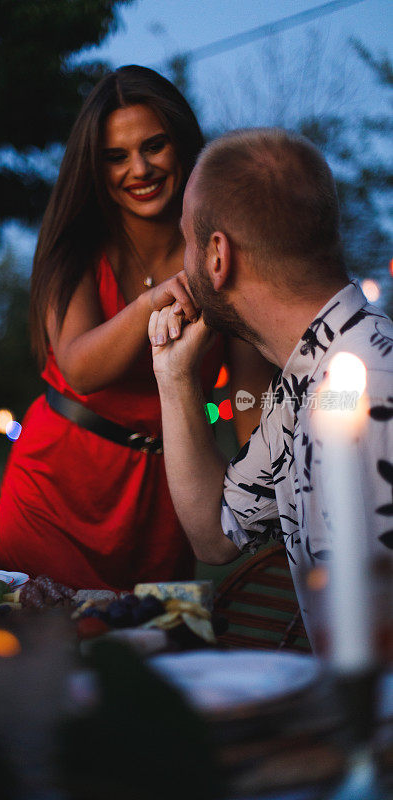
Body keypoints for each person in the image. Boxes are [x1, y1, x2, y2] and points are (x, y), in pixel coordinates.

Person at [0, 68, 273, 591]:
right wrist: (152, 300)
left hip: (167, 495)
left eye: (154, 146)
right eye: (116, 156)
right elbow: (79, 366)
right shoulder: (75, 243)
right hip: (57, 489)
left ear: (183, 146)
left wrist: (285, 481)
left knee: (153, 658)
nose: (139, 168)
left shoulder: (221, 251)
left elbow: (248, 396)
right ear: (94, 167)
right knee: (53, 659)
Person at [150, 127, 393, 636]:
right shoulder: (305, 377)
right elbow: (216, 536)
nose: (182, 265)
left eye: (186, 241)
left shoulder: (367, 393)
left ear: (217, 257)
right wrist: (173, 378)